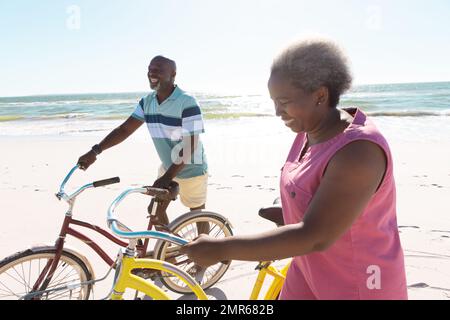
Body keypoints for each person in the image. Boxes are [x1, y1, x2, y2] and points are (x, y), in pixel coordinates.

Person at [181, 38, 408, 300]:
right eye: (274, 101)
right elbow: (316, 192)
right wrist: (291, 211)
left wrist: (221, 249)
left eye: (284, 101)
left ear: (320, 96)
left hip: (359, 283)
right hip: (307, 269)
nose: (277, 111)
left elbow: (315, 236)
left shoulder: (358, 152)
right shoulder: (308, 129)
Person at [77, 55, 208, 230]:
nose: (152, 73)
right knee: (155, 211)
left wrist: (166, 178)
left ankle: (208, 255)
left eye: (158, 69)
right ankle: (169, 252)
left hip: (192, 169)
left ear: (173, 74)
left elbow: (189, 145)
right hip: (168, 167)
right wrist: (95, 151)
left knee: (197, 215)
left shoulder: (187, 102)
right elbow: (124, 130)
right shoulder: (147, 102)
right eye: (150, 69)